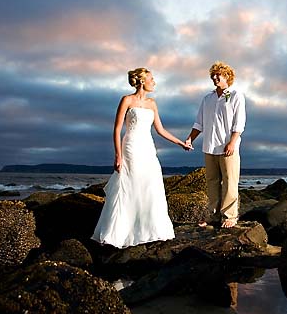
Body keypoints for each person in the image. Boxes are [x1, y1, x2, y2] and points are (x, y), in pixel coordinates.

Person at [92, 68, 191, 248]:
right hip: (131, 146)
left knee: (151, 184)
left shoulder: (152, 103)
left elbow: (160, 130)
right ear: (142, 80)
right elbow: (117, 129)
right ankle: (122, 232)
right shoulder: (127, 100)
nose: (154, 82)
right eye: (151, 79)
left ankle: (150, 230)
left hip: (147, 147)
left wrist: (180, 143)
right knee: (131, 184)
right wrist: (118, 155)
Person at [184, 61, 246, 228]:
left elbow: (239, 123)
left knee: (229, 181)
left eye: (219, 74)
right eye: (213, 75)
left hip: (228, 146)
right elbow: (199, 123)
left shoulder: (235, 95)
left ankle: (230, 216)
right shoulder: (207, 98)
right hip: (209, 146)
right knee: (211, 181)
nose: (215, 77)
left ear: (227, 77)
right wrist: (190, 139)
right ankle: (212, 215)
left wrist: (232, 143)